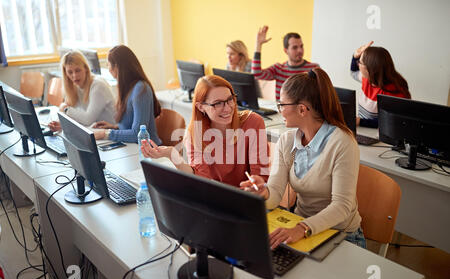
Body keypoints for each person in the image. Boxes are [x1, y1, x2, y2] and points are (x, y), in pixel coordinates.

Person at [240, 68, 366, 250]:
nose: (279, 110)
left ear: (301, 109)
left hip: (342, 235)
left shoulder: (342, 143)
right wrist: (264, 193)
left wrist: (302, 228)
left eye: (282, 105)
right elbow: (275, 193)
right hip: (301, 228)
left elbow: (342, 206)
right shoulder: (286, 140)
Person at [140, 75, 270, 188]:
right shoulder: (196, 133)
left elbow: (260, 178)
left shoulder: (252, 122)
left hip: (248, 199)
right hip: (216, 201)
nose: (227, 108)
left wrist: (255, 187)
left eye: (230, 99)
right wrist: (172, 154)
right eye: (217, 103)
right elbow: (201, 179)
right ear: (201, 107)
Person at [92, 45, 162, 144]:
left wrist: (106, 133)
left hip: (149, 151)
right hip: (133, 148)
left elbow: (137, 134)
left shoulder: (141, 89)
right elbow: (131, 125)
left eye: (108, 65)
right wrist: (115, 127)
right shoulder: (128, 87)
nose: (108, 69)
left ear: (116, 67)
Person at [48, 50, 116, 132]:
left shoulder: (98, 85)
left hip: (110, 134)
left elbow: (88, 119)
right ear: (65, 73)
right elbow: (74, 114)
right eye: (70, 72)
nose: (74, 76)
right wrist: (59, 123)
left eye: (78, 70)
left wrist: (65, 109)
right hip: (93, 131)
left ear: (86, 69)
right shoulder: (74, 86)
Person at [351, 41, 411, 128]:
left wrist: (360, 121)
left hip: (378, 136)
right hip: (363, 131)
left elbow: (391, 122)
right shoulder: (367, 80)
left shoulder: (394, 93)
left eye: (360, 62)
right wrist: (355, 56)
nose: (357, 65)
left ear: (370, 68)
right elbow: (353, 72)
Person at [252, 25, 319, 100]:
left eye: (301, 46)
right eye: (295, 47)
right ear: (285, 50)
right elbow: (256, 74)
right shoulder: (279, 68)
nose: (300, 50)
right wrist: (258, 45)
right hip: (282, 110)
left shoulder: (313, 68)